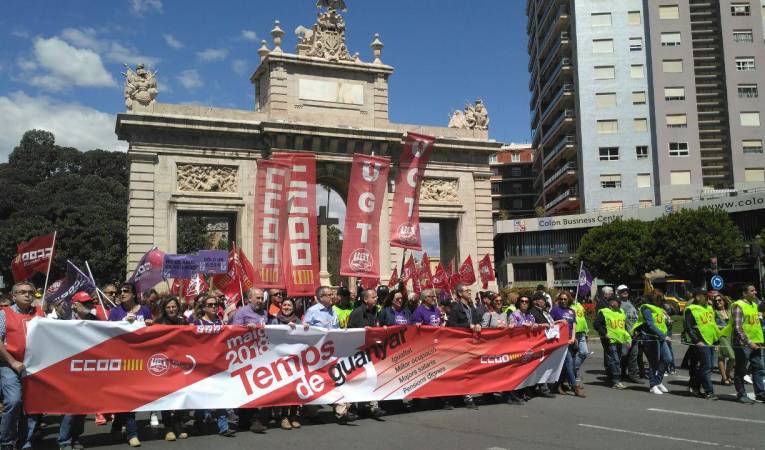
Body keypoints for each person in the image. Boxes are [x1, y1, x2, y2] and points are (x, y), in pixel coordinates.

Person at [0, 282, 44, 450]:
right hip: (9, 364)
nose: (28, 295)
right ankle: (6, 442)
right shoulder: (4, 314)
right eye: (23, 292)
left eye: (31, 292)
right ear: (14, 296)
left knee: (31, 406)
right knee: (13, 401)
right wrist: (12, 361)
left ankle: (25, 442)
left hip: (33, 366)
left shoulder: (40, 314)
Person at [303, 286, 355, 424]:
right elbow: (303, 331)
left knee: (335, 380)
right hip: (316, 355)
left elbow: (335, 329)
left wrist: (341, 332)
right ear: (321, 297)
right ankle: (311, 412)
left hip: (332, 354)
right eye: (329, 294)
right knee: (317, 382)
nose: (332, 297)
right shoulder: (312, 311)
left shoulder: (333, 311)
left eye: (332, 294)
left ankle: (341, 412)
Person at [108, 282, 151, 447]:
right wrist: (123, 323)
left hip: (140, 359)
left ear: (134, 294)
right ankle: (132, 433)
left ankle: (117, 427)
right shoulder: (115, 312)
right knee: (129, 397)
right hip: (122, 359)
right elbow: (108, 333)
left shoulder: (144, 310)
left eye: (126, 291)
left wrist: (149, 325)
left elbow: (151, 330)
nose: (122, 293)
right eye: (120, 291)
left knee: (128, 397)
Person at [231, 288, 270, 433]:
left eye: (261, 298)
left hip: (260, 355)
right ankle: (245, 420)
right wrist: (245, 328)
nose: (260, 301)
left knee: (257, 388)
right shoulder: (241, 312)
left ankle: (253, 420)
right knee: (246, 389)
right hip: (244, 356)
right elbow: (233, 331)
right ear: (249, 299)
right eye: (257, 298)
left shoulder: (264, 313)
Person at [152, 297, 191, 440]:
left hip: (180, 364)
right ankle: (168, 427)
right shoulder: (158, 323)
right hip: (164, 365)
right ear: (164, 309)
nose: (171, 309)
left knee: (182, 394)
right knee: (166, 395)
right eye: (168, 307)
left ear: (177, 307)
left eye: (173, 307)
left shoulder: (184, 322)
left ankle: (177, 423)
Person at [347, 289, 385, 419]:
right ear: (365, 299)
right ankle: (351, 407)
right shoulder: (356, 313)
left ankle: (374, 407)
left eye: (376, 297)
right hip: (357, 352)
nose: (376, 298)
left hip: (371, 351)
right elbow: (348, 331)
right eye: (373, 297)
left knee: (372, 377)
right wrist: (362, 331)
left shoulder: (376, 312)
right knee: (357, 380)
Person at [723, 285, 764, 404]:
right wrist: (748, 342)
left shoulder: (754, 305)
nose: (755, 292)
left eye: (755, 290)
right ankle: (741, 394)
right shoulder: (738, 305)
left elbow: (756, 325)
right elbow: (737, 327)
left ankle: (760, 394)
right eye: (752, 291)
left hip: (757, 342)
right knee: (741, 370)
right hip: (743, 344)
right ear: (744, 293)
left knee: (758, 368)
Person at [269, 298, 303, 430]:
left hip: (295, 359)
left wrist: (305, 328)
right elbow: (270, 335)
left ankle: (293, 416)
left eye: (289, 305)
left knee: (295, 387)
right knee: (284, 388)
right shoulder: (274, 320)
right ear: (281, 307)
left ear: (293, 308)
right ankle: (283, 417)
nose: (287, 307)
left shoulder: (299, 321)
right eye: (284, 305)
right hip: (279, 359)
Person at [446, 284, 481, 409]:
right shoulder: (456, 308)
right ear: (460, 293)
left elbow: (476, 320)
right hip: (459, 344)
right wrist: (468, 326)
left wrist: (478, 324)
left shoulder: (471, 307)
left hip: (471, 343)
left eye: (469, 290)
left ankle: (466, 396)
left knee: (469, 371)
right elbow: (451, 325)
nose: (469, 292)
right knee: (458, 372)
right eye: (467, 290)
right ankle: (452, 399)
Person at [632, 293, 672, 395]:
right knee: (654, 362)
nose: (661, 301)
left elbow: (662, 322)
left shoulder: (659, 309)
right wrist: (662, 335)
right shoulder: (646, 308)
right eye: (659, 299)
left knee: (667, 359)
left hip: (660, 337)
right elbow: (650, 324)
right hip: (651, 337)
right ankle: (652, 385)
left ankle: (658, 381)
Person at [683, 290, 718, 399]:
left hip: (710, 341)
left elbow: (712, 326)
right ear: (698, 297)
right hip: (701, 342)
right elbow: (688, 327)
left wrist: (716, 341)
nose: (708, 298)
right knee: (706, 366)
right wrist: (697, 340)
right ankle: (709, 392)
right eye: (705, 296)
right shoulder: (691, 309)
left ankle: (694, 386)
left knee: (709, 366)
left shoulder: (709, 308)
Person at [550, 291, 585, 398]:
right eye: (561, 299)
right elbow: (550, 323)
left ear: (569, 300)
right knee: (568, 361)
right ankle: (575, 387)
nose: (563, 301)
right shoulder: (555, 310)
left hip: (570, 340)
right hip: (560, 341)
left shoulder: (571, 311)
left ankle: (558, 385)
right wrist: (560, 321)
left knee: (566, 364)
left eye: (565, 299)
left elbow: (573, 325)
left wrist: (574, 338)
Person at [594, 294, 631, 390]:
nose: (619, 303)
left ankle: (612, 377)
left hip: (620, 340)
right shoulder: (604, 312)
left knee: (616, 360)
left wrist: (628, 339)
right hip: (610, 341)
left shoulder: (621, 312)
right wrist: (605, 334)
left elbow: (624, 327)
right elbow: (596, 324)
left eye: (619, 302)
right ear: (611, 302)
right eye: (617, 302)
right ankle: (616, 381)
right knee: (615, 361)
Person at [616, 285, 642, 384]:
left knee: (633, 356)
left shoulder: (631, 303)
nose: (625, 292)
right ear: (618, 293)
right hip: (625, 335)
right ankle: (620, 374)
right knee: (623, 355)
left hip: (635, 334)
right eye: (622, 291)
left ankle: (633, 375)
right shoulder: (619, 305)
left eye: (626, 290)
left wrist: (637, 330)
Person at [711, 293, 734, 385]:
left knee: (733, 358)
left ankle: (727, 374)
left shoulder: (729, 310)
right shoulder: (714, 312)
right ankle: (724, 378)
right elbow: (712, 325)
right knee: (722, 357)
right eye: (715, 301)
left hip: (731, 336)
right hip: (721, 336)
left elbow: (733, 304)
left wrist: (728, 300)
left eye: (719, 300)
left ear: (724, 301)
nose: (717, 302)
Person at [570, 292, 589, 383]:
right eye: (571, 296)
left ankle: (573, 370)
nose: (573, 297)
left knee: (584, 352)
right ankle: (572, 373)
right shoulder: (569, 306)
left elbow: (583, 318)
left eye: (573, 295)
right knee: (573, 355)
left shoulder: (579, 305)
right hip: (574, 333)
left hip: (581, 333)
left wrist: (586, 330)